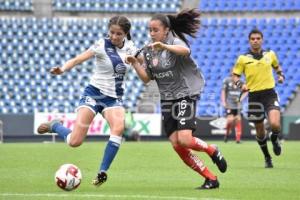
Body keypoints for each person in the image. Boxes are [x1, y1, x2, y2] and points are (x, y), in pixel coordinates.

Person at [126, 9, 227, 189]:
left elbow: (185, 50)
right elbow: (147, 78)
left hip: (186, 93)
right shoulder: (148, 51)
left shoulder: (173, 41)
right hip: (167, 98)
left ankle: (212, 150)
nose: (152, 33)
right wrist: (135, 64)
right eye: (150, 30)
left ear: (166, 30)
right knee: (177, 144)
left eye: (155, 30)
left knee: (186, 139)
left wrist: (164, 46)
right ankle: (211, 178)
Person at [37, 16, 137, 186]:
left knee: (118, 128)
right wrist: (62, 69)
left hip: (113, 99)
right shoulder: (101, 45)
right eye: (111, 32)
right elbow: (77, 59)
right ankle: (55, 125)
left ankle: (102, 171)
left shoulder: (132, 49)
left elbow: (143, 67)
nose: (113, 37)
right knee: (74, 142)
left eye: (118, 34)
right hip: (94, 94)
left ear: (126, 34)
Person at [232, 28, 284, 168]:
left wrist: (280, 75)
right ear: (249, 41)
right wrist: (240, 84)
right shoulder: (243, 58)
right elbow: (235, 76)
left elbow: (277, 67)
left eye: (258, 38)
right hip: (254, 96)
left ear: (262, 40)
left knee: (275, 124)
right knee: (260, 132)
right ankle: (267, 157)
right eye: (252, 39)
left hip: (269, 93)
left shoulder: (270, 54)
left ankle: (274, 138)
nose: (255, 41)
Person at [221, 72, 247, 143]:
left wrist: (240, 99)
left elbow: (246, 91)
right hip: (229, 104)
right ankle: (226, 135)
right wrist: (223, 101)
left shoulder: (240, 82)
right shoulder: (227, 81)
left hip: (238, 105)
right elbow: (223, 91)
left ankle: (238, 139)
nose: (236, 77)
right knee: (230, 120)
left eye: (238, 75)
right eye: (235, 75)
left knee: (238, 119)